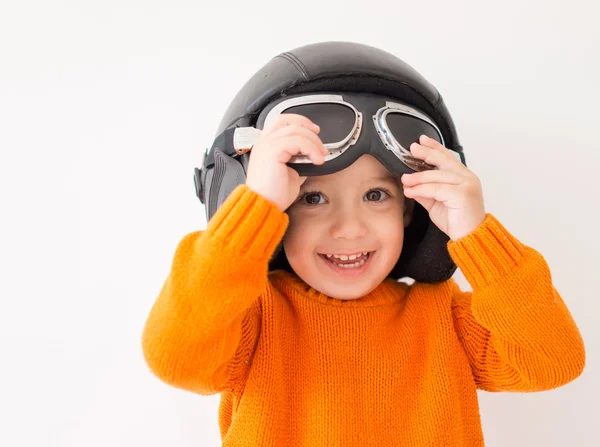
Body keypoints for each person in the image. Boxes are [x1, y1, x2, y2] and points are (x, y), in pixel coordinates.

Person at [141, 41, 586, 446]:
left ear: (412, 207)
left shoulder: (444, 319)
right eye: (312, 198)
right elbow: (175, 355)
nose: (348, 228)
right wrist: (254, 207)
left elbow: (552, 361)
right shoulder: (255, 320)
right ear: (275, 214)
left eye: (376, 195)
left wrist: (476, 234)